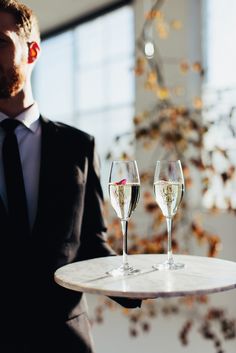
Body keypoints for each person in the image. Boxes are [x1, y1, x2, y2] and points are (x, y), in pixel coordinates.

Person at [0, 1, 141, 352]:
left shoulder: (78, 146)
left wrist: (132, 283)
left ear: (32, 50)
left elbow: (91, 241)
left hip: (63, 340)